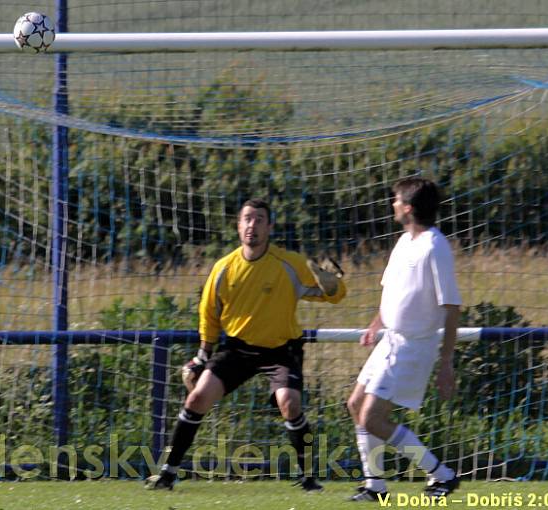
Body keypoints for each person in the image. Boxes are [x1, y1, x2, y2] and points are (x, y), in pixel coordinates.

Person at [145, 198, 347, 491]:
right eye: (247, 219)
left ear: (270, 227)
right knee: (196, 399)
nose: (252, 225)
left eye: (259, 219)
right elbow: (209, 313)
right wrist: (203, 355)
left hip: (281, 350)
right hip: (238, 349)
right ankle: (167, 473)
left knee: (289, 404)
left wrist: (333, 284)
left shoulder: (290, 264)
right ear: (238, 226)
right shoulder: (224, 268)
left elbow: (333, 294)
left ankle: (309, 478)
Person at [346, 177, 461, 502]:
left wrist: (446, 362)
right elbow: (394, 293)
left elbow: (451, 307)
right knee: (354, 405)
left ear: (408, 208)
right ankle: (375, 486)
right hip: (389, 341)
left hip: (413, 346)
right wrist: (375, 324)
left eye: (396, 199)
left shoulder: (434, 246)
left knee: (372, 417)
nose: (393, 204)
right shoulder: (403, 242)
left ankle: (441, 474)